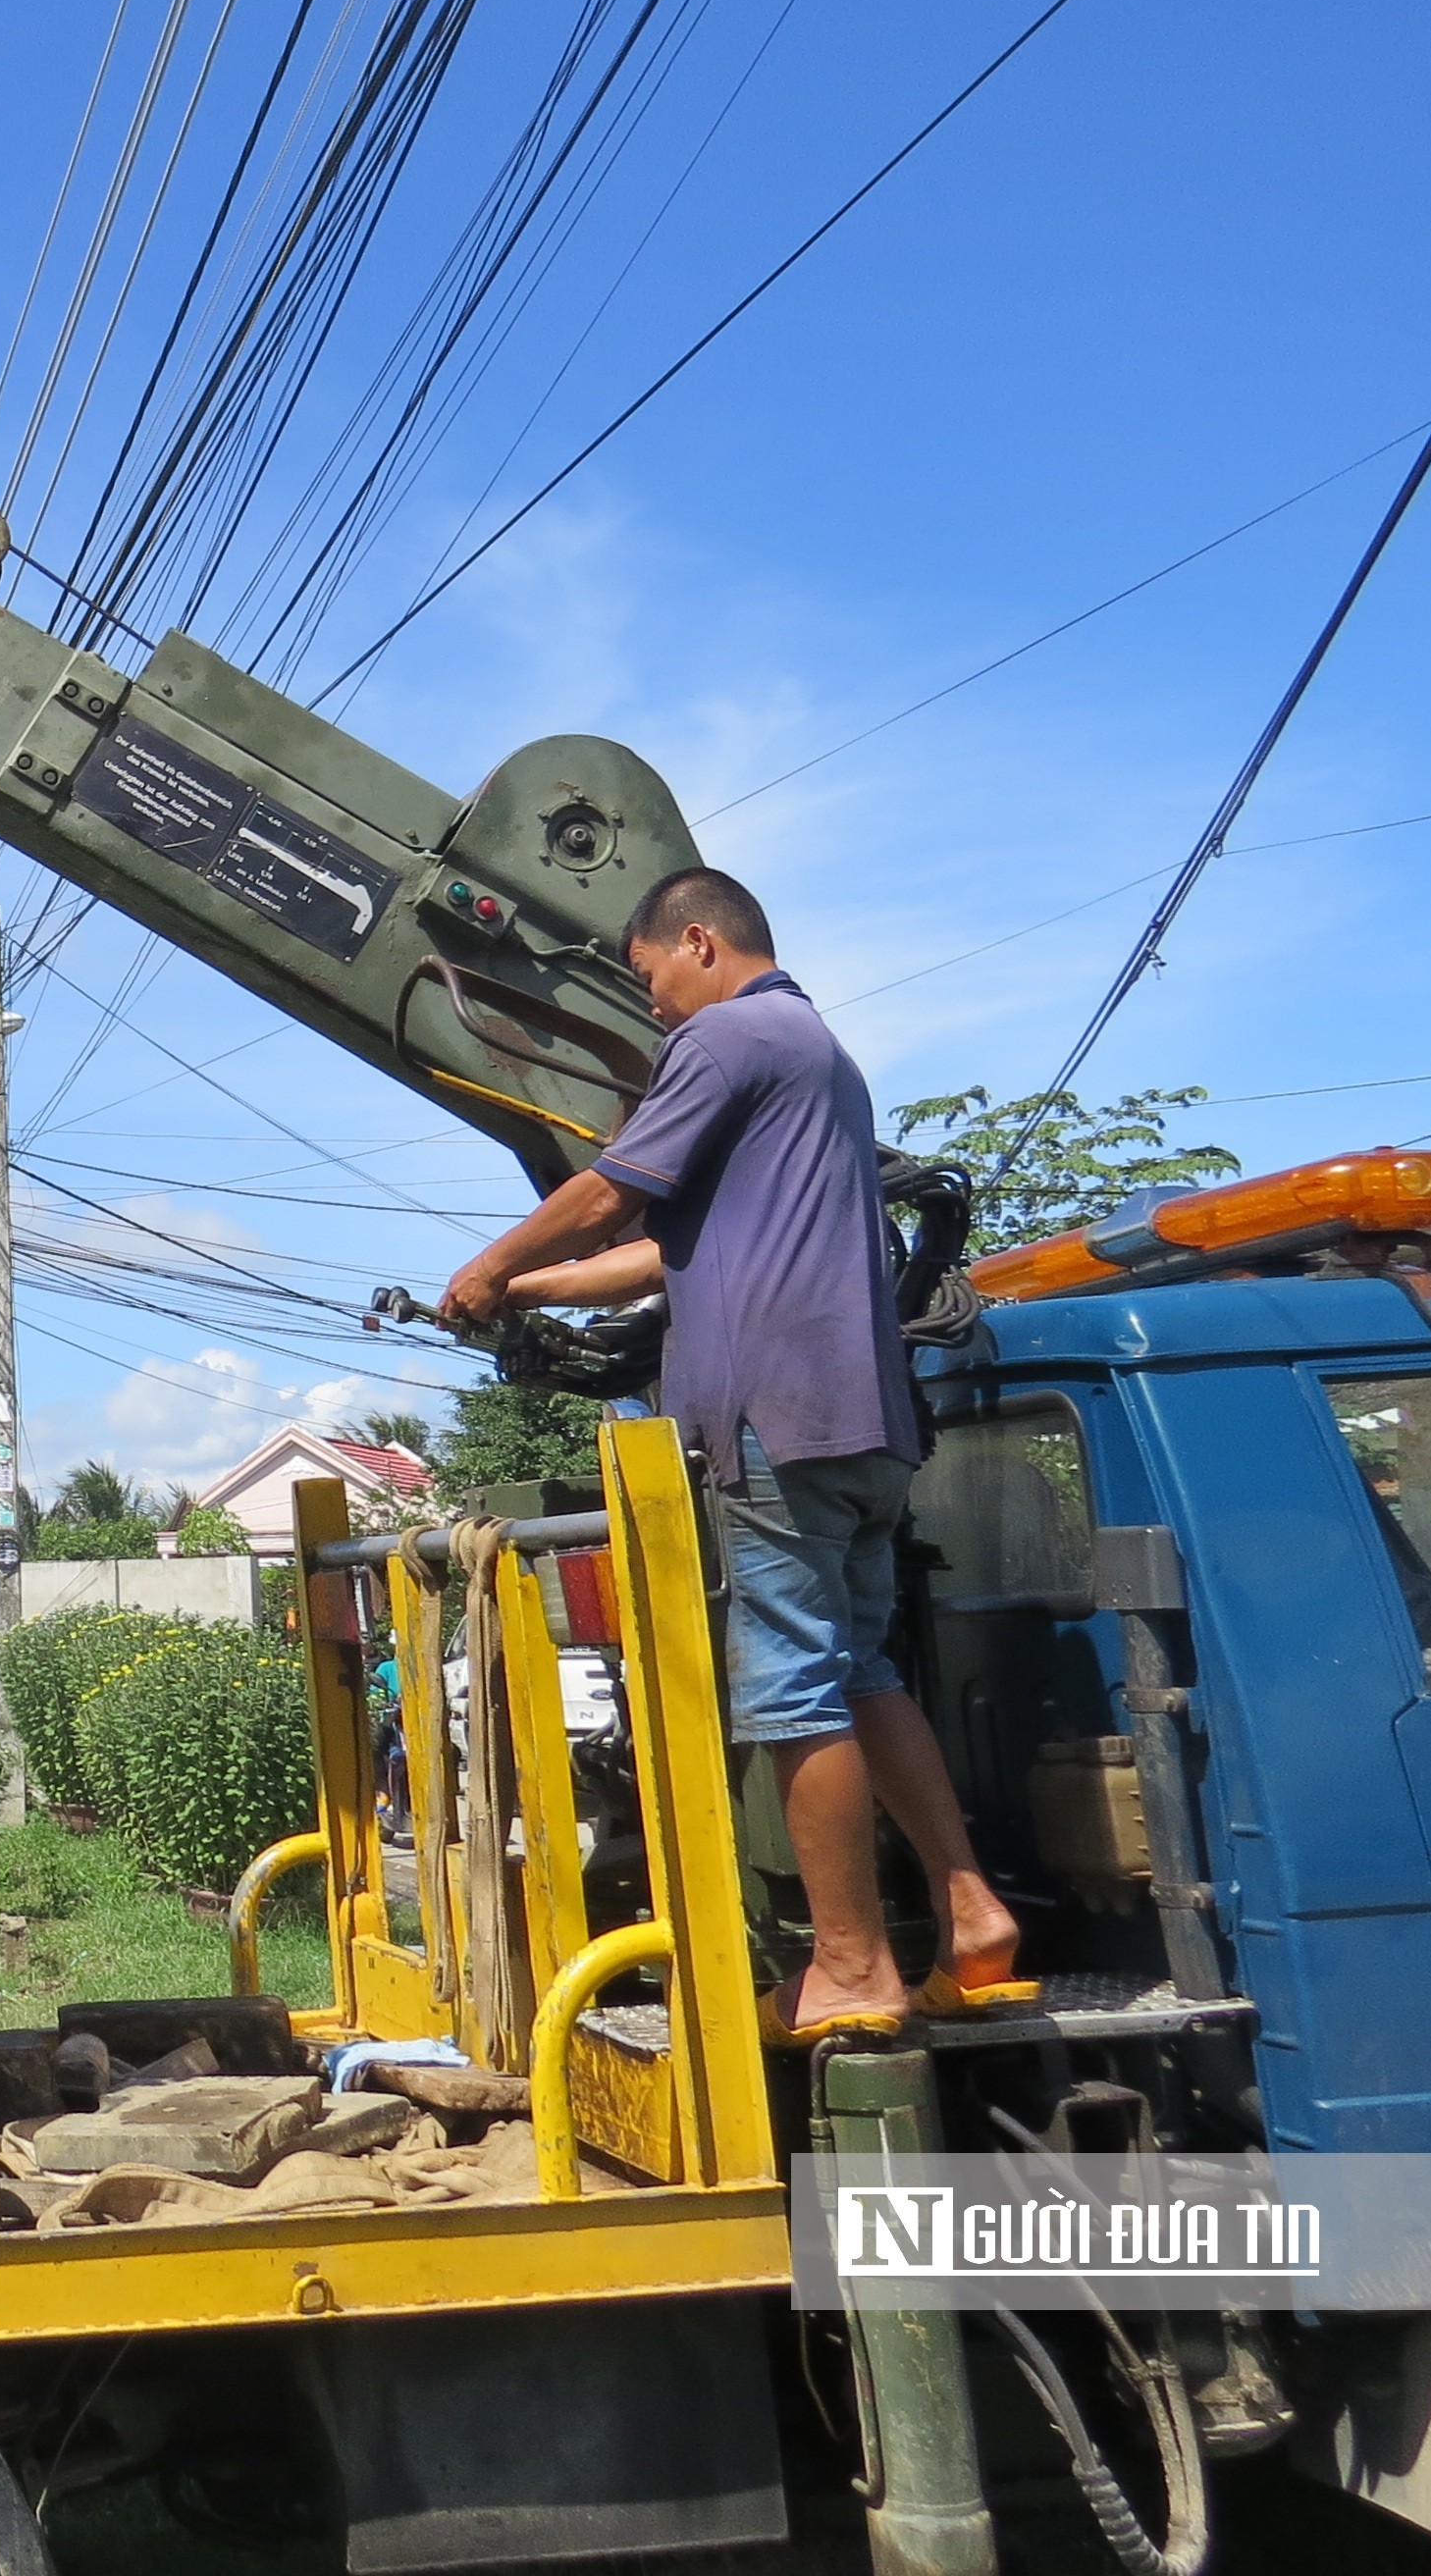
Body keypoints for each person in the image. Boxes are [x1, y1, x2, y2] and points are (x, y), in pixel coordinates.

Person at [438, 867, 1026, 2044]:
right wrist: (533, 1289)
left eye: (649, 976)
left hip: (771, 1420)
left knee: (793, 1688)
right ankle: (972, 1918)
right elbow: (666, 1246)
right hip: (859, 1417)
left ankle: (852, 1967)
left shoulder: (723, 1039)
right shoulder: (817, 1059)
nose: (651, 1005)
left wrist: (489, 1265)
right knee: (861, 1671)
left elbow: (609, 1195)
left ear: (698, 942)